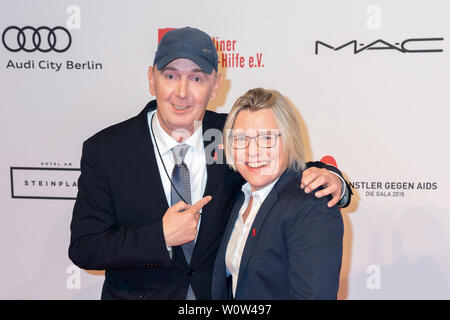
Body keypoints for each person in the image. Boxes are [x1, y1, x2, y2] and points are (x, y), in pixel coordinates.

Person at [68, 26, 350, 300]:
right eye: (170, 76)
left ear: (215, 86)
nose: (182, 92)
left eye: (197, 79)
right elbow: (85, 248)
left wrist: (334, 178)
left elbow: (282, 163)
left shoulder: (233, 134)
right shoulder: (107, 150)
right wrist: (160, 237)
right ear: (151, 79)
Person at [211, 88, 343, 299]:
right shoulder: (240, 196)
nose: (252, 152)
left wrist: (338, 181)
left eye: (266, 138)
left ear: (289, 140)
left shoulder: (311, 207)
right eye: (241, 139)